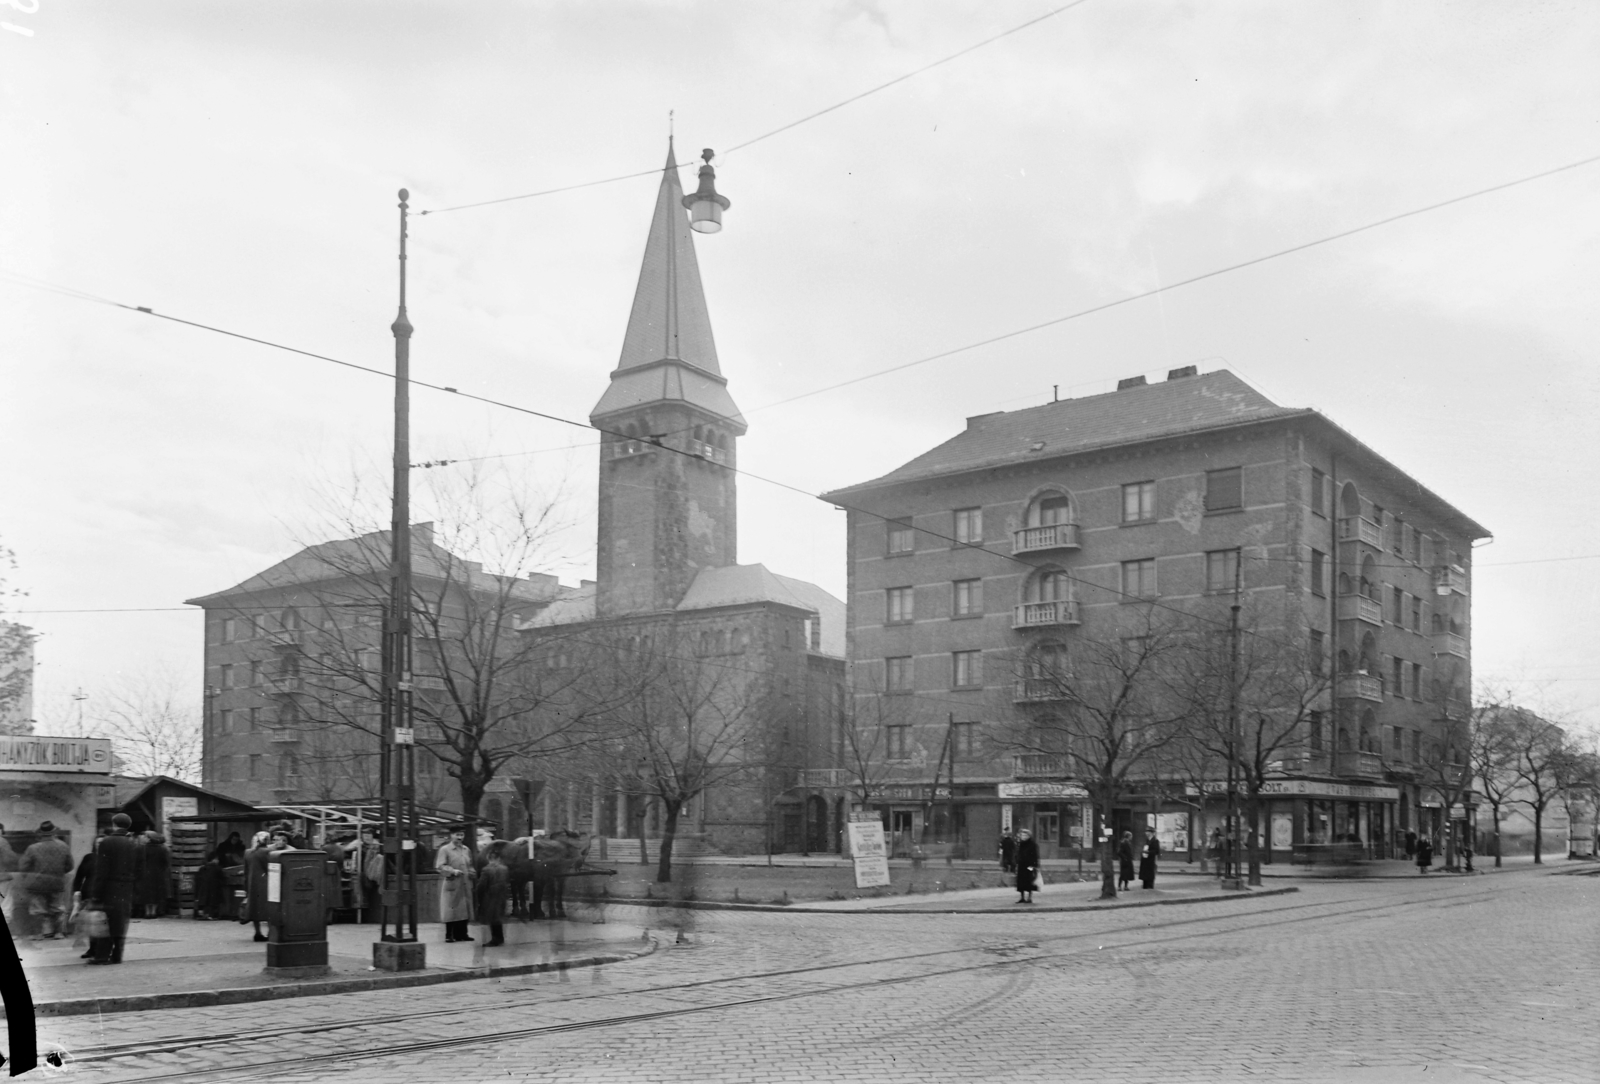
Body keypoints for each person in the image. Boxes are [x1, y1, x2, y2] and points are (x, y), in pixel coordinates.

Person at [88, 812, 143, 964]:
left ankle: (101, 956)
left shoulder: (107, 842)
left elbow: (102, 871)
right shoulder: (136, 843)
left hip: (110, 887)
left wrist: (96, 893)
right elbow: (140, 869)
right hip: (127, 887)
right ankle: (117, 955)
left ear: (114, 824)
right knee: (121, 922)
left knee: (106, 922)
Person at [18, 821, 74, 939]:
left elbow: (23, 867)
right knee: (58, 909)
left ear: (41, 834)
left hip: (37, 884)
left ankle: (38, 934)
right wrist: (58, 873)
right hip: (57, 882)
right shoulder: (63, 846)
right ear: (54, 833)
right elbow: (70, 866)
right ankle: (58, 933)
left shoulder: (32, 848)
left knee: (37, 910)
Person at [435, 827, 475, 942]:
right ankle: (449, 935)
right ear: (451, 835)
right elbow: (440, 866)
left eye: (462, 835)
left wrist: (472, 872)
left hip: (465, 883)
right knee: (451, 910)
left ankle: (462, 934)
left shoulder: (466, 849)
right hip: (452, 883)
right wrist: (452, 871)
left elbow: (470, 864)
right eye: (457, 835)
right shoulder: (445, 849)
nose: (460, 837)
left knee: (464, 910)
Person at [475, 845, 510, 947]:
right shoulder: (505, 868)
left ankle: (495, 939)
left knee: (492, 918)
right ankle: (500, 938)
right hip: (502, 896)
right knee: (498, 917)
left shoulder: (486, 869)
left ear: (488, 858)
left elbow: (481, 885)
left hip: (490, 897)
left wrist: (478, 895)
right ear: (499, 858)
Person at [241, 831, 273, 941]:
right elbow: (270, 868)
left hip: (252, 883)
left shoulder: (248, 852)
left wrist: (245, 885)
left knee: (254, 907)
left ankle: (257, 932)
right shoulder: (268, 852)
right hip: (266, 883)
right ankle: (270, 932)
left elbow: (246, 870)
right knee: (269, 907)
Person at [71, 839, 99, 957]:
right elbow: (79, 875)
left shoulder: (111, 858)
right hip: (88, 893)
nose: (100, 845)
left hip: (104, 894)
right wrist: (76, 890)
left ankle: (101, 949)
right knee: (90, 922)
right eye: (98, 842)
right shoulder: (88, 857)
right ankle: (92, 948)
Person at [139, 833, 172, 919]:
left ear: (149, 839)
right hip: (158, 873)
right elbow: (166, 862)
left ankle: (147, 912)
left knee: (146, 893)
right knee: (156, 893)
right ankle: (153, 912)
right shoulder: (162, 849)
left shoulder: (142, 848)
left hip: (145, 873)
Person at [1013, 828, 1039, 905]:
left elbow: (1035, 856)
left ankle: (1029, 897)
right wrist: (1016, 862)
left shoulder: (1032, 844)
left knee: (1030, 881)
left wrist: (1034, 866)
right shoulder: (1021, 844)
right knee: (1021, 881)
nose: (1023, 836)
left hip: (1029, 865)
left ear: (1029, 836)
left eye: (1025, 835)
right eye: (1022, 835)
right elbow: (1018, 854)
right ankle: (1022, 897)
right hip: (1021, 865)